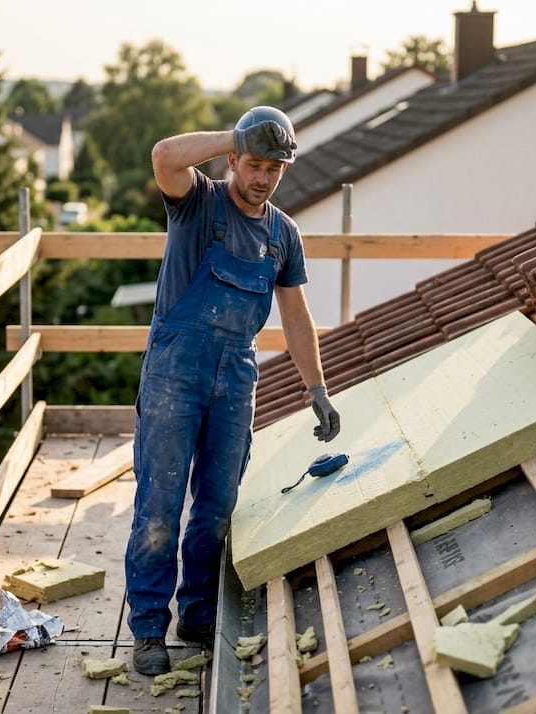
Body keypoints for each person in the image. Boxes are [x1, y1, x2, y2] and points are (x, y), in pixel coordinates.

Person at [125, 106, 342, 676]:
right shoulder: (198, 201)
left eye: (275, 167)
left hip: (236, 376)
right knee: (160, 504)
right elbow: (164, 156)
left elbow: (296, 316)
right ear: (232, 160)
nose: (263, 177)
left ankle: (197, 615)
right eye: (253, 163)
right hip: (176, 369)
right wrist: (234, 132)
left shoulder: (282, 234)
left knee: (217, 505)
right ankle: (148, 629)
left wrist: (316, 387)